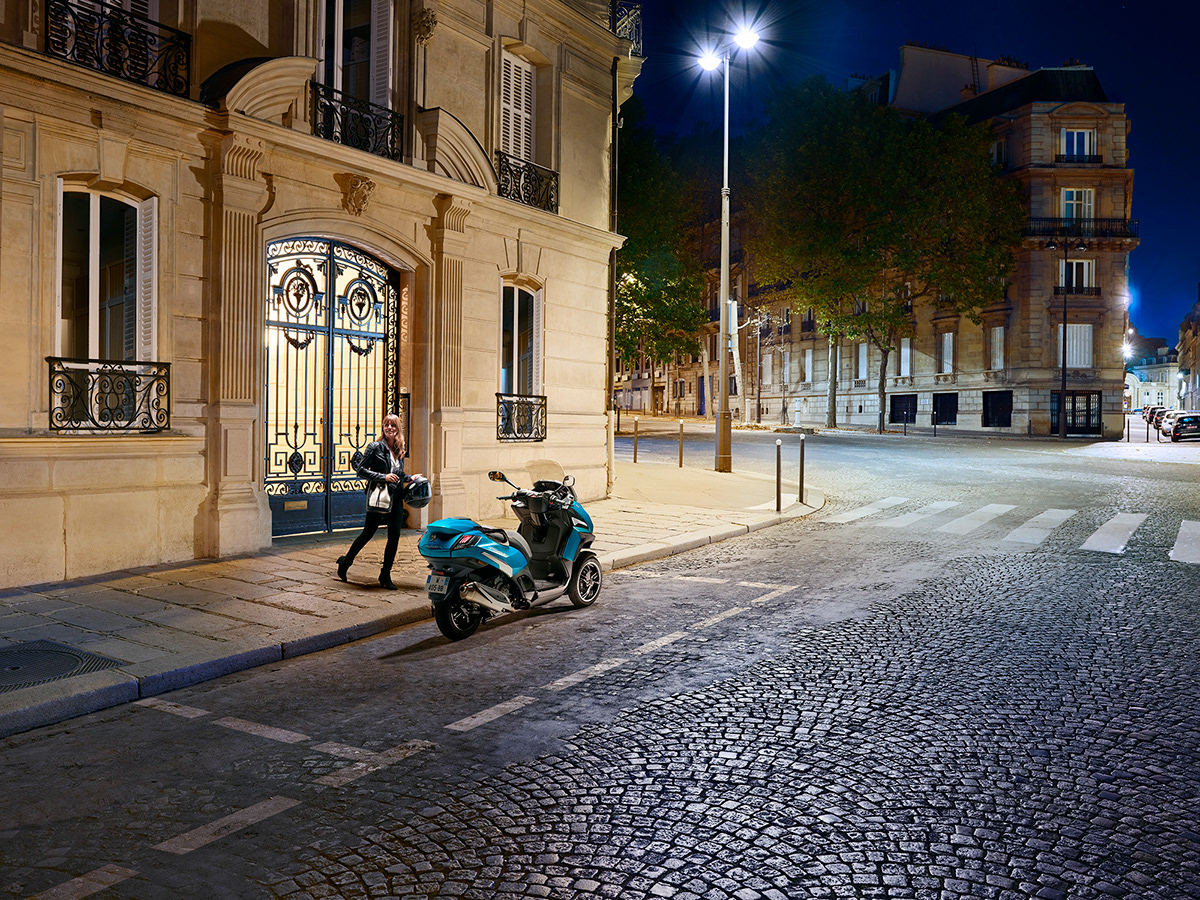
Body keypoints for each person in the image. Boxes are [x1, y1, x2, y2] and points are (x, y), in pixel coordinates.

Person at [337, 414, 421, 590]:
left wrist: (411, 477)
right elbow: (360, 470)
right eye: (386, 425)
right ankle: (346, 562)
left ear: (398, 429)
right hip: (379, 496)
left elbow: (398, 475)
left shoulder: (399, 449)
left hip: (396, 498)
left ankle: (385, 574)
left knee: (394, 537)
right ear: (383, 427)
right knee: (368, 533)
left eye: (393, 425)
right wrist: (383, 477)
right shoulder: (374, 447)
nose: (389, 428)